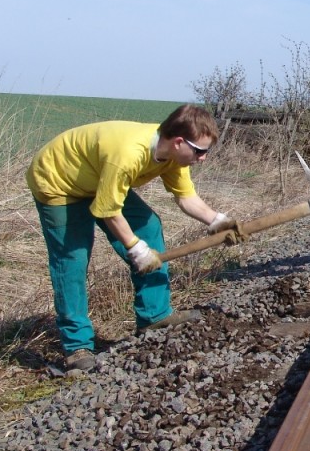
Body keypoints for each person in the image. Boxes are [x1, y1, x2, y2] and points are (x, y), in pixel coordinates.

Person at [27, 104, 238, 373]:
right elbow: (107, 210)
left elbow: (185, 197)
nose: (203, 158)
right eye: (200, 151)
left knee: (148, 227)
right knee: (72, 258)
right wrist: (136, 249)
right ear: (178, 142)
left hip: (99, 179)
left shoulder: (175, 157)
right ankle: (76, 345)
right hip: (59, 181)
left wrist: (217, 221)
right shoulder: (128, 154)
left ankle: (155, 315)